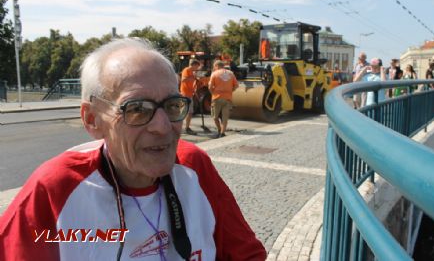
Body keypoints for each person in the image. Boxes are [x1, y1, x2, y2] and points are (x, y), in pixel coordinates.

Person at [0, 38, 266, 261]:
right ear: (92, 119)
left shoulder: (192, 165)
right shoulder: (54, 190)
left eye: (173, 105)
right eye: (137, 109)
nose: (163, 127)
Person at [208, 60, 238, 138]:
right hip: (228, 98)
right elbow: (236, 85)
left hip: (217, 98)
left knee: (215, 117)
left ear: (217, 66)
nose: (214, 68)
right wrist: (230, 91)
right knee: (225, 117)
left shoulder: (214, 74)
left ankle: (219, 130)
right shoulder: (231, 73)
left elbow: (210, 87)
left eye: (214, 67)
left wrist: (213, 93)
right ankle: (222, 133)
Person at [180, 58, 201, 135]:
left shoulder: (191, 72)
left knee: (190, 112)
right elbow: (183, 80)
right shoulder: (186, 70)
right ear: (194, 65)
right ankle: (181, 128)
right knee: (184, 112)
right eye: (197, 66)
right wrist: (193, 77)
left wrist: (194, 91)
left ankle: (187, 127)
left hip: (189, 94)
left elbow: (190, 83)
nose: (197, 68)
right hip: (185, 94)